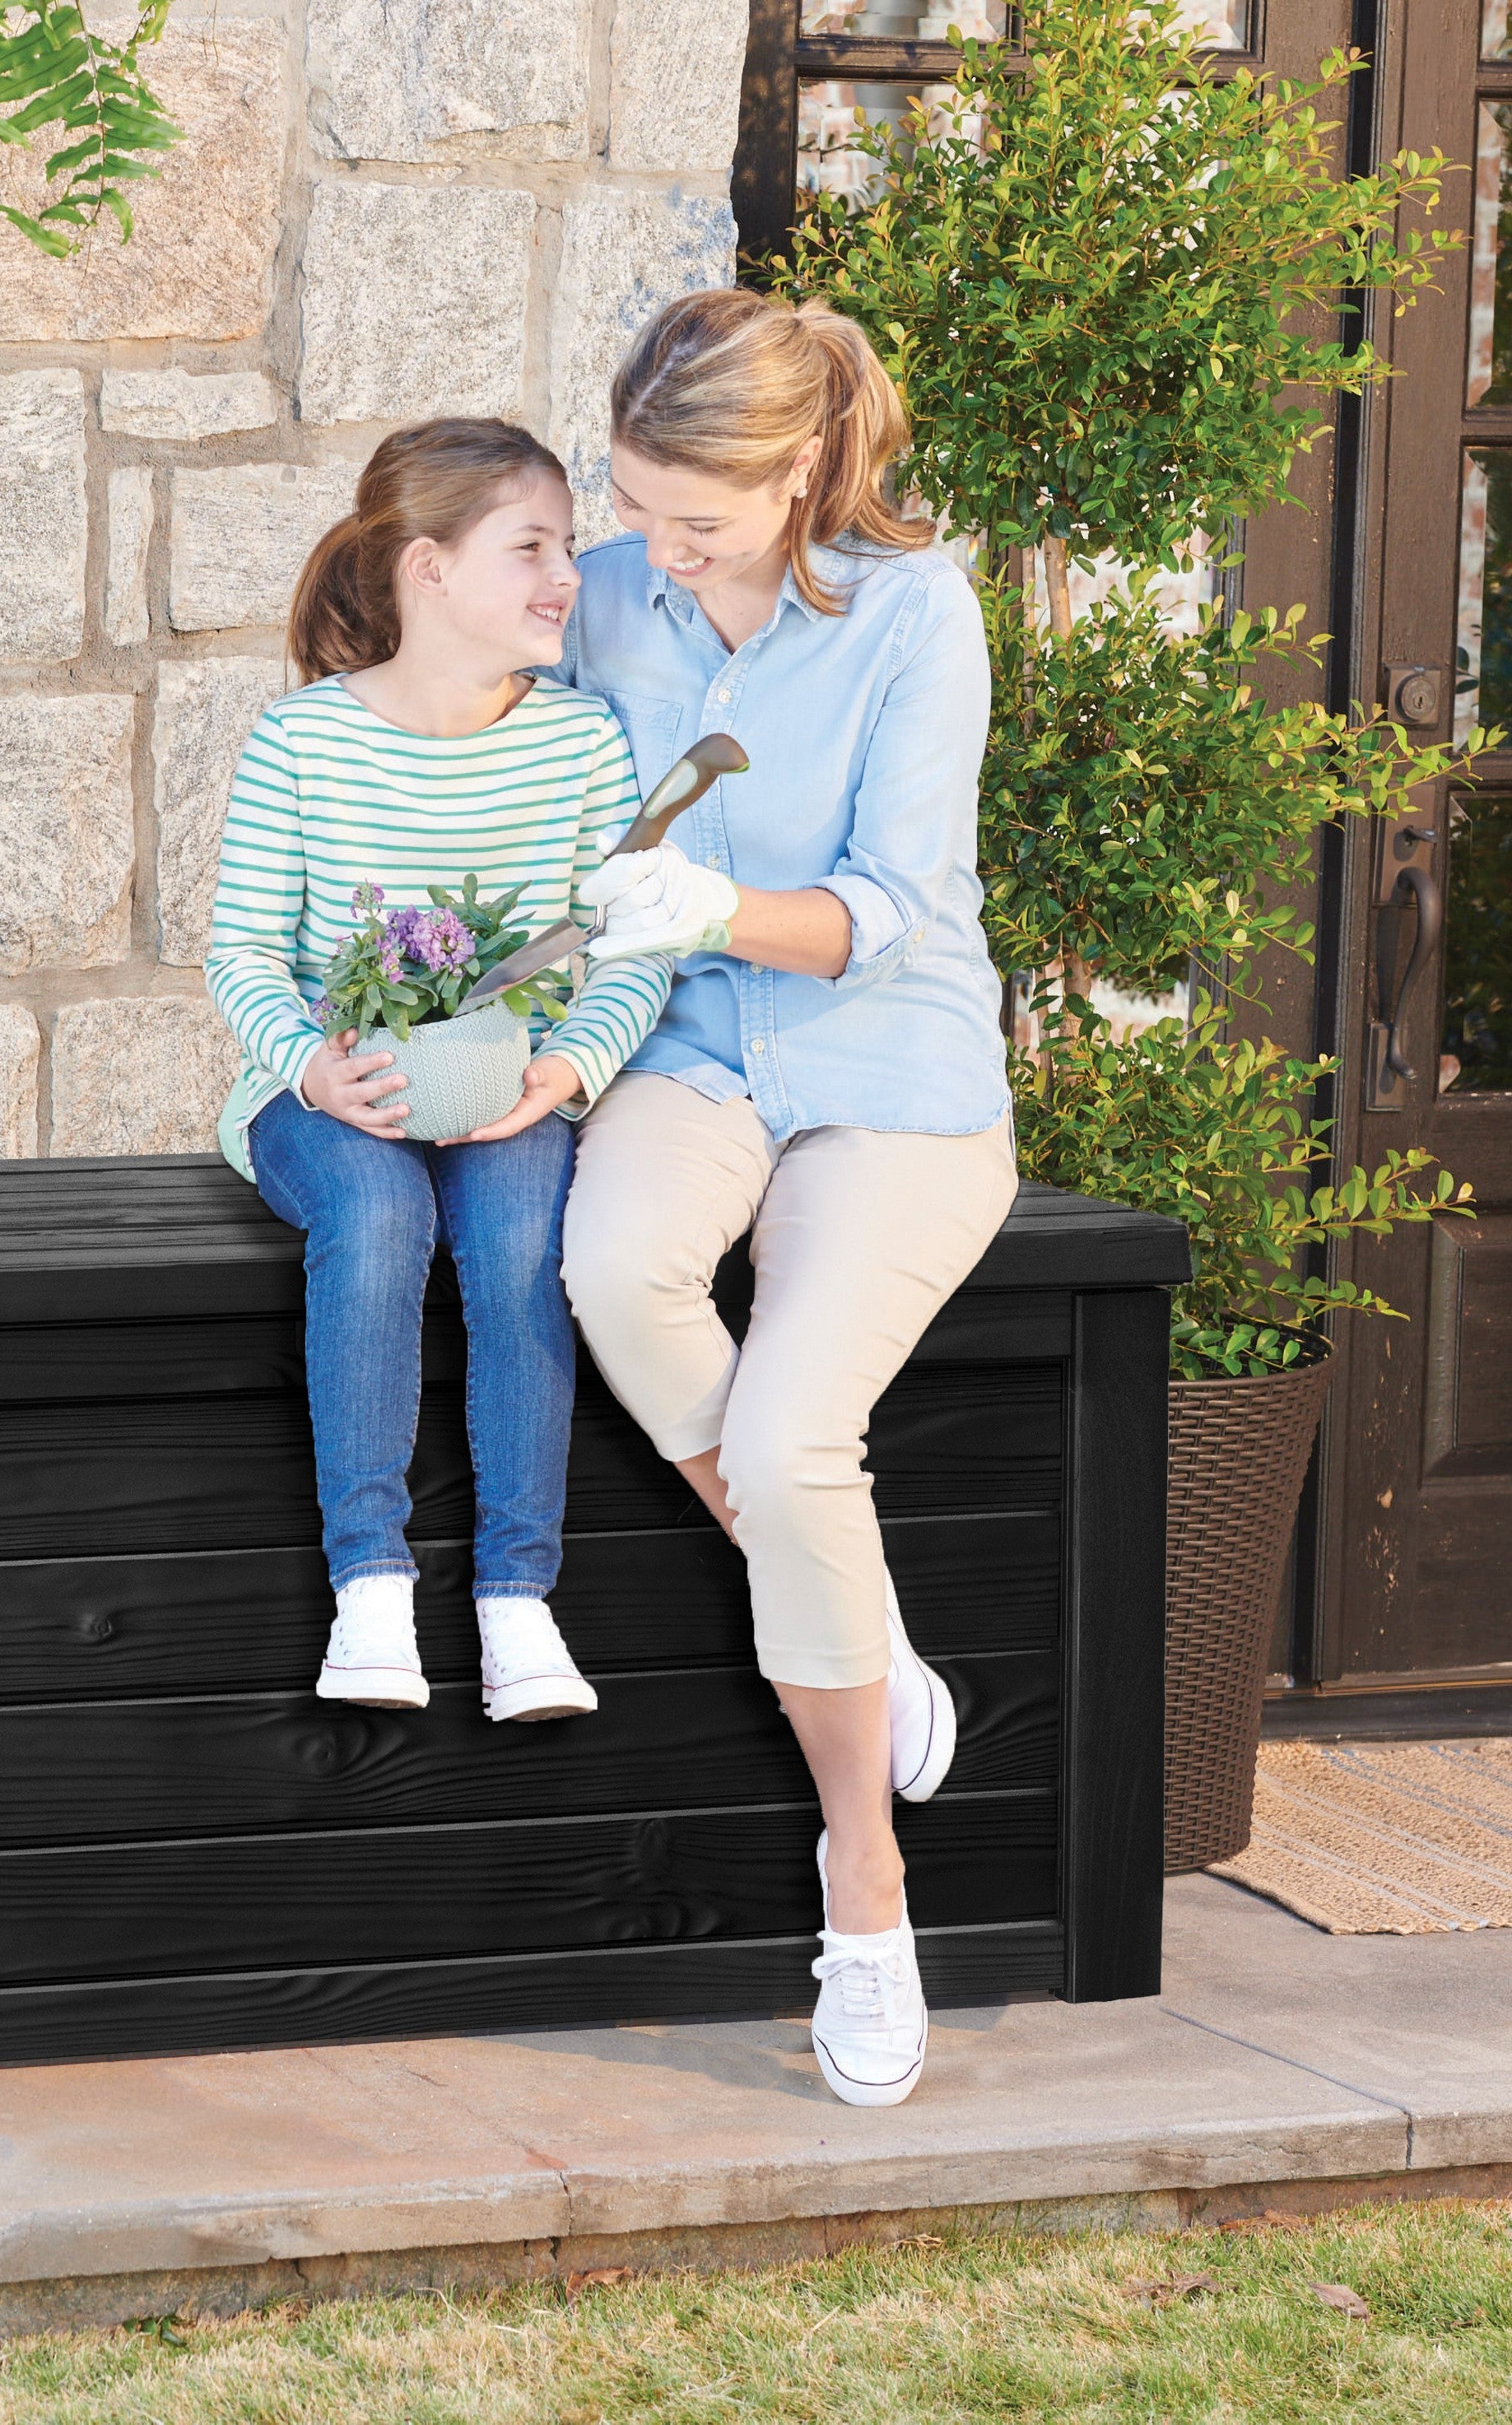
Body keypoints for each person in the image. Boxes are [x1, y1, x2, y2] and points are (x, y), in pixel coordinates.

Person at [556, 288, 1010, 2110]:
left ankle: (867, 1881)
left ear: (808, 464)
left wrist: (712, 910)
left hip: (892, 1074)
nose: (658, 549)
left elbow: (893, 905)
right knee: (610, 1271)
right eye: (637, 504)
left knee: (800, 1431)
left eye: (700, 519)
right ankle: (871, 1647)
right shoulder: (605, 591)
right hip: (691, 1055)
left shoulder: (917, 613)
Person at [205, 418, 673, 1725]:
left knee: (522, 1233)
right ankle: (370, 1584)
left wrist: (567, 1068)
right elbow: (239, 951)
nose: (566, 577)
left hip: (506, 1090)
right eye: (531, 547)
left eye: (567, 546)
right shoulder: (300, 741)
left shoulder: (582, 745)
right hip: (328, 1101)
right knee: (376, 1213)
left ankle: (518, 1598)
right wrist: (308, 1071)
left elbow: (629, 953)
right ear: (427, 569)